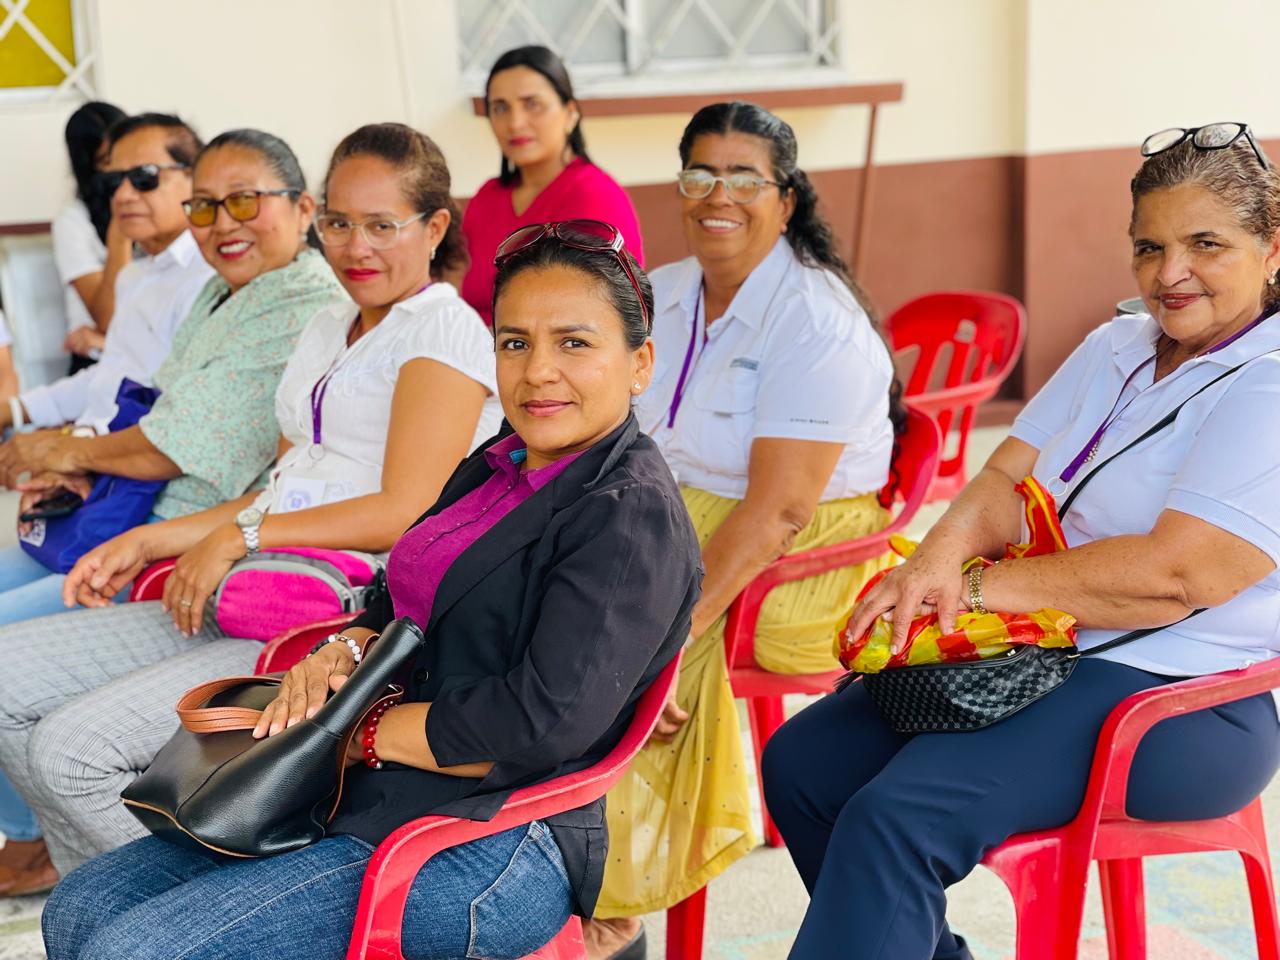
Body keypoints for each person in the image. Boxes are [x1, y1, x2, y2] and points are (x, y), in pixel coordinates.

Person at [40, 222, 701, 960]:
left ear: (640, 363)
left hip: (493, 837)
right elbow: (403, 592)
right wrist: (347, 646)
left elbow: (539, 726)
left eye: (574, 343)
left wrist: (361, 729)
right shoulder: (501, 460)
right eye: (515, 343)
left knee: (134, 949)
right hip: (370, 790)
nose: (538, 370)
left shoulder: (627, 515)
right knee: (79, 907)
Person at [762, 124, 1280, 960]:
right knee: (805, 765)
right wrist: (933, 562)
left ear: (1272, 250)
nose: (1169, 273)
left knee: (897, 818)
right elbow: (1005, 477)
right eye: (1150, 247)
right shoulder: (1116, 347)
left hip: (1182, 700)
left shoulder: (1269, 381)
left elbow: (1178, 576)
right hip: (1035, 650)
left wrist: (973, 588)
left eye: (1205, 245)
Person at [0, 123, 500, 892]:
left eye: (382, 225)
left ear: (434, 228)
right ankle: (122, 910)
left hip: (328, 614)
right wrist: (153, 542)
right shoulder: (332, 325)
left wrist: (242, 534)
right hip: (252, 579)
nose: (356, 247)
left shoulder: (441, 330)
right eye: (341, 223)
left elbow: (405, 510)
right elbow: (286, 478)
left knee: (70, 753)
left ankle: (197, 918)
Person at [588, 101, 902, 956]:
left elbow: (779, 512)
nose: (717, 195)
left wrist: (672, 633)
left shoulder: (816, 322)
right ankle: (534, 852)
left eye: (743, 178)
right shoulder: (665, 292)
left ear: (785, 199)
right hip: (671, 515)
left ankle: (613, 900)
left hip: (800, 549)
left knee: (622, 641)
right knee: (547, 592)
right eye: (700, 174)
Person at [0, 125, 342, 629]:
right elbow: (152, 401)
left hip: (181, 541)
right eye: (204, 207)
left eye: (244, 201)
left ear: (304, 209)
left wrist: (62, 450)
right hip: (126, 508)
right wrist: (78, 465)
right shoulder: (221, 290)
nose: (223, 224)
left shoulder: (303, 303)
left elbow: (175, 446)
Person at [5, 114, 213, 439]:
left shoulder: (212, 276)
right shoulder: (136, 275)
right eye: (114, 182)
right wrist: (15, 411)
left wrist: (71, 448)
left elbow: (164, 402)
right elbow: (109, 378)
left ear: (197, 179)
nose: (123, 195)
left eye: (144, 177)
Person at [460, 44, 644, 325]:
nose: (515, 122)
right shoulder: (486, 198)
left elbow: (609, 319)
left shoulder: (595, 195)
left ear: (570, 113)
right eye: (500, 108)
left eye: (532, 104)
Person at [52, 100, 129, 370]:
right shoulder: (73, 220)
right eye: (108, 161)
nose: (122, 171)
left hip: (146, 355)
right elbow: (108, 318)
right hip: (96, 362)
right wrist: (120, 232)